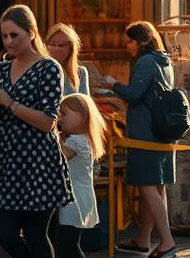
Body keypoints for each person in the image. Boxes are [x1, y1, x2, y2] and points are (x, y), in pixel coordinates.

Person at [0, 5, 68, 258]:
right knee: (6, 236)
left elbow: (48, 122)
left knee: (35, 234)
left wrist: (10, 103)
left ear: (31, 33)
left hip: (38, 163)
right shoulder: (2, 69)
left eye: (14, 35)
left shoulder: (49, 68)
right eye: (4, 36)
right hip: (7, 164)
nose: (8, 41)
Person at [103, 22, 178, 257]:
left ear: (142, 41)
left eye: (130, 41)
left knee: (147, 187)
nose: (128, 46)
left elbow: (134, 95)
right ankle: (144, 239)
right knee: (156, 186)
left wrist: (113, 85)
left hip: (145, 132)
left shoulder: (145, 62)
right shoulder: (163, 60)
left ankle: (167, 241)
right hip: (162, 133)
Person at [54, 93, 107, 258]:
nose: (59, 117)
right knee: (68, 243)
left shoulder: (77, 141)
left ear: (82, 117)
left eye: (64, 113)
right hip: (79, 198)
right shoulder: (83, 139)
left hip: (73, 200)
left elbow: (55, 160)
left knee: (67, 245)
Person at [46, 22, 91, 96]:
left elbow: (85, 102)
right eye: (52, 44)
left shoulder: (80, 73)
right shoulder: (41, 71)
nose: (56, 48)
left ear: (71, 48)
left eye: (62, 45)